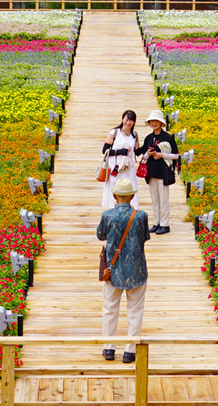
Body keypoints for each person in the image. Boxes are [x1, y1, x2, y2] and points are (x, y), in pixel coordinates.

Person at [96, 177, 151, 363]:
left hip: (113, 270)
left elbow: (100, 236)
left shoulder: (107, 216)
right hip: (137, 269)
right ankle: (130, 351)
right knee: (135, 310)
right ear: (131, 197)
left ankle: (109, 348)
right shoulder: (141, 216)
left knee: (110, 309)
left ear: (114, 196)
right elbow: (144, 238)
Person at [137, 110, 179, 234]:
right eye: (152, 121)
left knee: (164, 199)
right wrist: (148, 154)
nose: (154, 123)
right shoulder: (149, 138)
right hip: (151, 173)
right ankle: (157, 222)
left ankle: (165, 224)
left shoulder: (168, 137)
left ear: (161, 123)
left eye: (156, 121)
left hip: (163, 173)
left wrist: (161, 155)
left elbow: (176, 156)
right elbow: (143, 157)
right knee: (155, 199)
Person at [102, 110, 140, 210]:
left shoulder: (135, 135)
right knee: (114, 186)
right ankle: (113, 209)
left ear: (134, 122)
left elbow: (138, 151)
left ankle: (129, 210)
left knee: (129, 186)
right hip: (115, 166)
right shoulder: (114, 132)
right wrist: (120, 152)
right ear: (122, 119)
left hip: (128, 168)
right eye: (126, 119)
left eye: (131, 120)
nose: (128, 123)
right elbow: (105, 151)